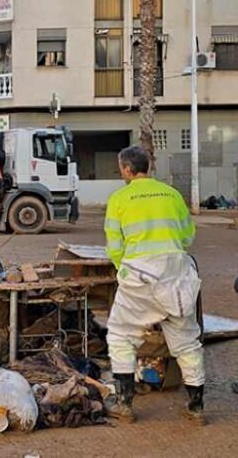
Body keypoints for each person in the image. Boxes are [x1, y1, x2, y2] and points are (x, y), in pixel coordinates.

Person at [104, 146, 205, 424]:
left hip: (139, 276)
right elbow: (187, 237)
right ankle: (196, 407)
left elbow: (114, 246)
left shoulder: (119, 198)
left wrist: (124, 270)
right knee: (186, 342)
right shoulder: (172, 194)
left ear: (126, 169)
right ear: (147, 167)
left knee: (121, 336)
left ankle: (124, 404)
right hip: (176, 275)